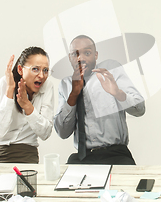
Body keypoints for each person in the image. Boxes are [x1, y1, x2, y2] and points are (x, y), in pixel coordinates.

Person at [54, 35, 145, 165]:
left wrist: (118, 93)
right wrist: (73, 94)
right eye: (75, 54)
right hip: (83, 157)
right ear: (70, 58)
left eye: (87, 53)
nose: (81, 58)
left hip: (116, 154)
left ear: (96, 55)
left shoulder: (110, 71)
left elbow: (140, 109)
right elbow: (62, 132)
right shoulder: (65, 84)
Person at [0, 47, 54, 163]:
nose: (41, 76)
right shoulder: (5, 82)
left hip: (27, 152)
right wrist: (9, 90)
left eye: (45, 70)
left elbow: (45, 133)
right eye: (35, 69)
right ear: (20, 69)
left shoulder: (47, 86)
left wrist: (28, 106)